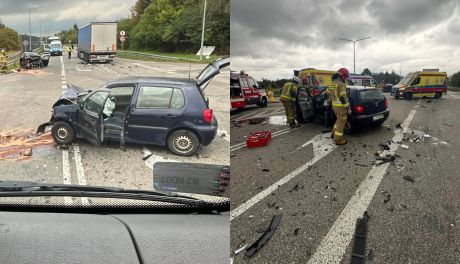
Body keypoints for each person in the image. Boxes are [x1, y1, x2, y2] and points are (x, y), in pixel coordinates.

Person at [328, 68, 350, 145]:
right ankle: (338, 140)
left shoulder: (331, 84)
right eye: (345, 77)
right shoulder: (341, 84)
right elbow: (343, 97)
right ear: (342, 76)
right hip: (341, 107)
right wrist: (347, 107)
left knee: (338, 120)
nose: (345, 79)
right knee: (342, 122)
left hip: (334, 106)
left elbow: (329, 94)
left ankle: (333, 133)